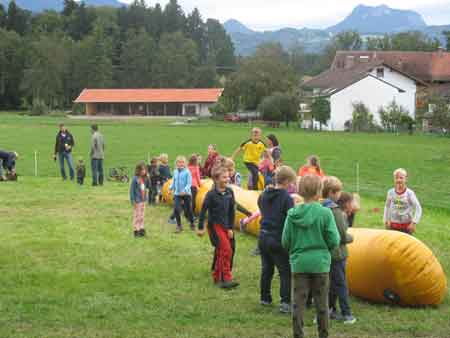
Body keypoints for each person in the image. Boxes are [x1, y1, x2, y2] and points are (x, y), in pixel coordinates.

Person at [282, 174, 340, 338]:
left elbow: (285, 241)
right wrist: (323, 251)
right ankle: (323, 334)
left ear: (300, 192)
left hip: (299, 264)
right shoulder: (325, 213)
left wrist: (296, 251)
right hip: (320, 264)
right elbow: (334, 240)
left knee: (298, 303)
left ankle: (298, 334)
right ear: (319, 192)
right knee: (322, 304)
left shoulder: (292, 214)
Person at [258, 166, 296, 314]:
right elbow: (290, 217)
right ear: (286, 181)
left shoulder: (264, 194)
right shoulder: (286, 198)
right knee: (285, 271)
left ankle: (265, 297)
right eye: (291, 182)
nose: (292, 185)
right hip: (277, 238)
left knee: (267, 269)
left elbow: (260, 205)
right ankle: (285, 302)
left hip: (263, 236)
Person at [197, 166, 239, 290]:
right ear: (216, 179)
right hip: (215, 226)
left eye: (228, 176)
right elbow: (203, 210)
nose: (227, 179)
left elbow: (232, 211)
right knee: (226, 250)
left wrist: (230, 228)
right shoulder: (211, 195)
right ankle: (226, 278)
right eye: (224, 177)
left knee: (223, 252)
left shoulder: (230, 192)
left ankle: (217, 277)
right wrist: (200, 227)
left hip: (226, 226)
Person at [322, 177, 356, 324]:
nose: (340, 194)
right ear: (332, 192)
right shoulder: (335, 211)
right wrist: (351, 238)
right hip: (338, 254)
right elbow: (342, 235)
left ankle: (329, 309)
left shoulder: (320, 207)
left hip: (325, 254)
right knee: (341, 283)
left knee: (329, 283)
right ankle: (347, 314)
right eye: (339, 191)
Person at [383, 168, 422, 235]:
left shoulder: (409, 193)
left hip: (406, 226)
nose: (398, 180)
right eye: (396, 178)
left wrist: (414, 223)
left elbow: (418, 208)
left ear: (405, 179)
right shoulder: (390, 192)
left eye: (401, 178)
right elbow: (387, 206)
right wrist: (386, 221)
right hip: (393, 225)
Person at [170, 156, 195, 233]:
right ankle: (179, 226)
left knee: (189, 210)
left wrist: (185, 190)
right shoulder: (175, 171)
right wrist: (170, 188)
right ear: (176, 163)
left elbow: (189, 183)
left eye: (182, 162)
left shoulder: (187, 172)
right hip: (177, 193)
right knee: (176, 209)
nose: (180, 164)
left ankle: (192, 223)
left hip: (186, 194)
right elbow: (174, 181)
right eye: (179, 162)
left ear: (185, 163)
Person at [130, 162, 148, 238]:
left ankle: (141, 229)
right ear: (138, 170)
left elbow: (148, 187)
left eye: (145, 170)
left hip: (143, 200)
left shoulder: (144, 178)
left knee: (142, 216)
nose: (144, 171)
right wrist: (133, 200)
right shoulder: (135, 179)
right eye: (142, 170)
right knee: (137, 216)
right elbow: (132, 190)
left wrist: (148, 178)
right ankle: (136, 230)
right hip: (137, 201)